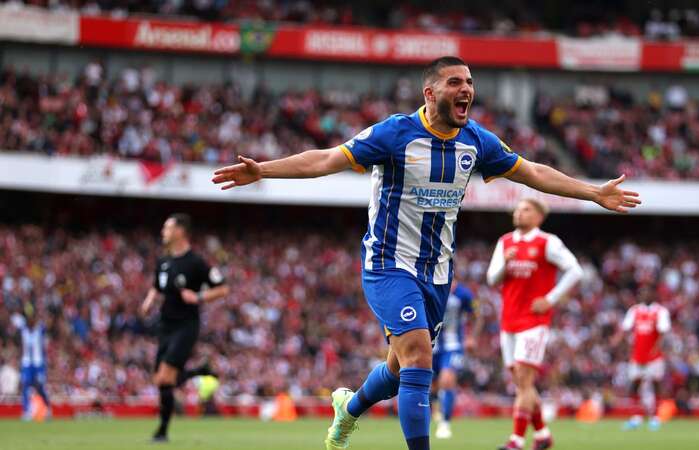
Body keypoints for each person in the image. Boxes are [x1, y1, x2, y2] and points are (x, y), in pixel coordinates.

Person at [212, 56, 640, 450]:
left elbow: (532, 172)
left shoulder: (477, 141)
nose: (467, 88)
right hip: (387, 263)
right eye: (455, 81)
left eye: (470, 82)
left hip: (437, 271)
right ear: (430, 93)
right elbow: (325, 159)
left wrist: (592, 191)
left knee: (400, 371)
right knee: (419, 354)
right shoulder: (395, 134)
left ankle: (350, 408)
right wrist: (263, 170)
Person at [487, 198, 584, 450]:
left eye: (526, 209)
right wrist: (505, 264)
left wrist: (550, 299)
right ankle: (542, 435)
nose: (520, 213)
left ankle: (516, 441)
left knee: (524, 379)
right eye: (518, 209)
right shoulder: (505, 242)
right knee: (521, 383)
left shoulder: (547, 242)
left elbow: (575, 270)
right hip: (508, 320)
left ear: (539, 217)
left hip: (533, 320)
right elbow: (491, 278)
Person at [140, 213, 229, 442]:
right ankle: (199, 371)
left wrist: (199, 296)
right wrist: (149, 301)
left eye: (167, 228)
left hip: (186, 326)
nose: (163, 232)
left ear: (180, 231)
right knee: (162, 380)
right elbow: (156, 286)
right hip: (165, 325)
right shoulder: (163, 261)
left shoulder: (196, 262)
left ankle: (162, 432)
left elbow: (222, 289)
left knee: (164, 379)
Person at [431, 282, 480, 439]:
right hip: (431, 345)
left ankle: (445, 423)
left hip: (453, 346)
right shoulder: (430, 286)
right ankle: (436, 410)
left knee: (447, 380)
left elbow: (477, 316)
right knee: (432, 386)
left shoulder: (463, 293)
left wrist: (472, 337)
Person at [617, 289, 671, 431]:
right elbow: (625, 329)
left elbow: (663, 332)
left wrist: (656, 348)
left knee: (656, 384)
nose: (644, 294)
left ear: (653, 294)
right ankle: (636, 417)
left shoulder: (660, 311)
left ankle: (656, 417)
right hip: (637, 356)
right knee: (634, 384)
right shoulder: (634, 311)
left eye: (647, 292)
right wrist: (618, 341)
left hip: (654, 357)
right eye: (641, 292)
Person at [13, 303, 51, 421]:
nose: (31, 321)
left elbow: (49, 322)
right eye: (29, 318)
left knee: (40, 387)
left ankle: (48, 408)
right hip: (26, 363)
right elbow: (14, 318)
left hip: (38, 363)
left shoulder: (40, 329)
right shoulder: (22, 329)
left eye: (32, 318)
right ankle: (27, 411)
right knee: (25, 385)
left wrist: (42, 313)